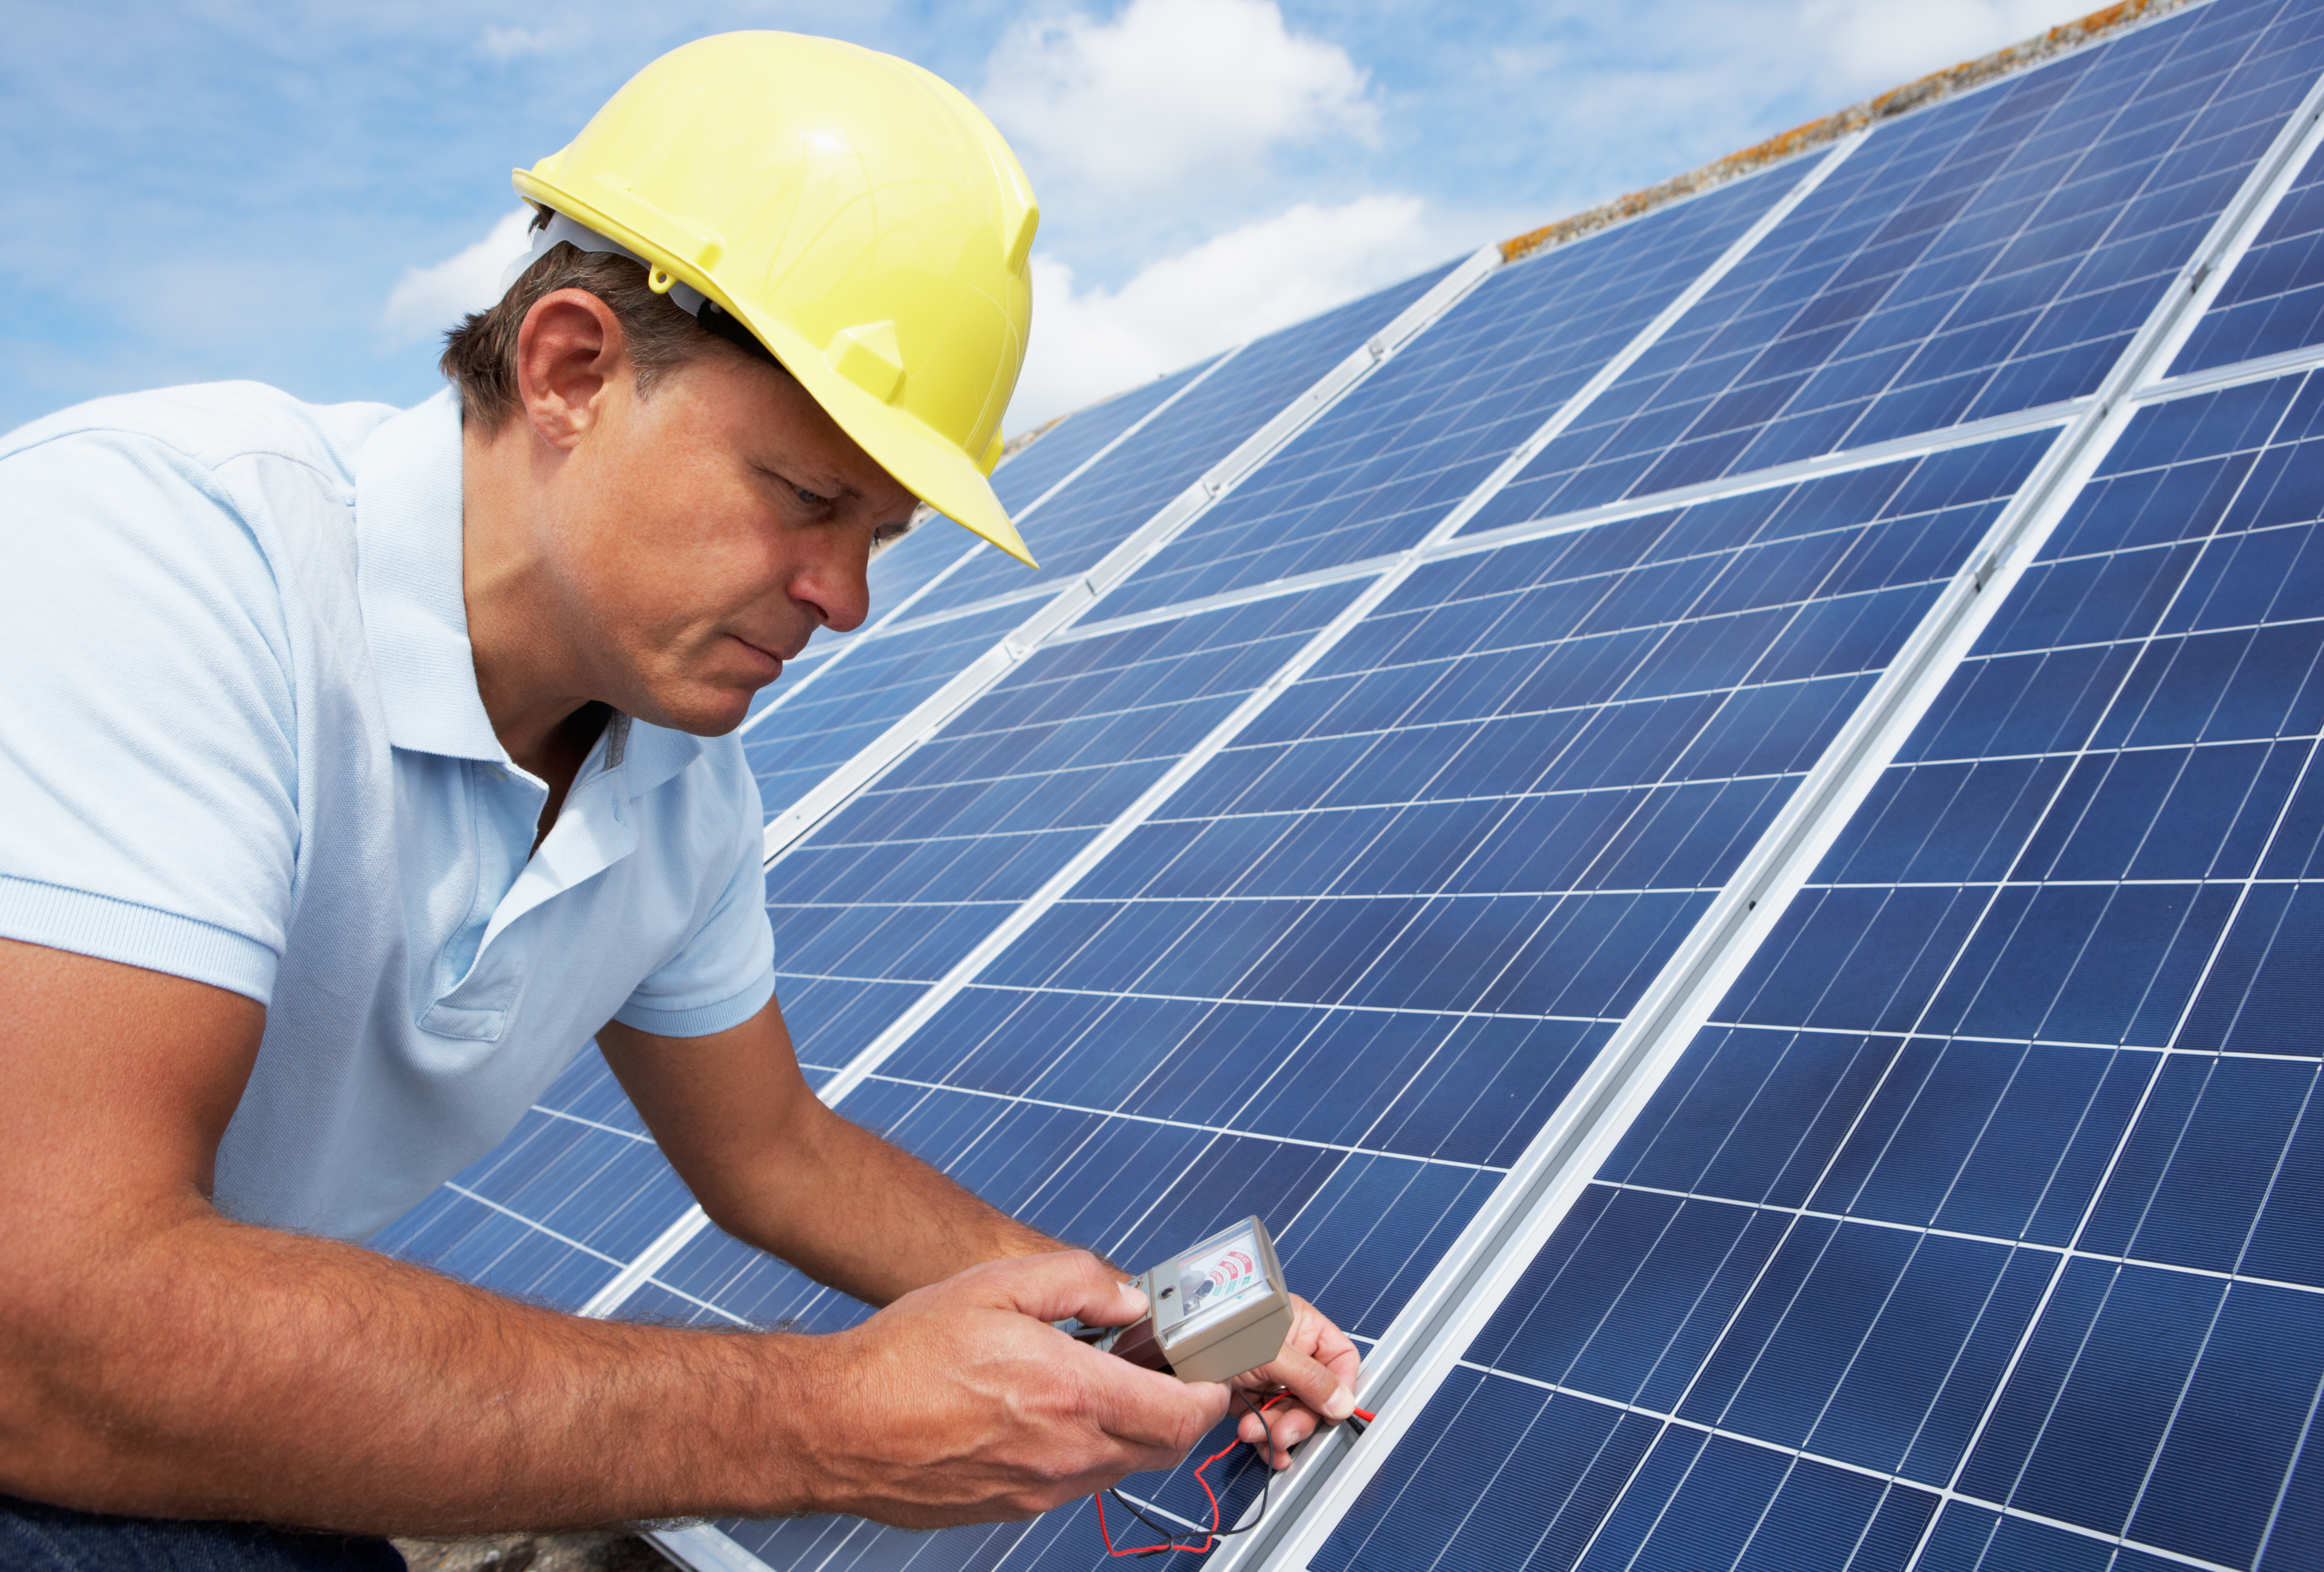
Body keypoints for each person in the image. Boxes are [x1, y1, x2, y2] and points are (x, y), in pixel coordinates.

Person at [0, 31, 1359, 1570]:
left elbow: (773, 1151)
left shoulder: (678, 789)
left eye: (884, 534)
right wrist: (823, 1417)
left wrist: (1151, 1322)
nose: (844, 597)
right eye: (805, 498)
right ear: (573, 368)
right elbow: (50, 1334)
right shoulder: (152, 562)